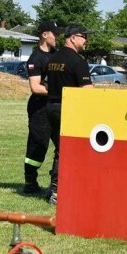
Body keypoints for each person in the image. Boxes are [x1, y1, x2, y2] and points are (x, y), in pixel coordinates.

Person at [45, 23, 94, 205]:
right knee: (66, 150)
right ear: (73, 38)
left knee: (60, 149)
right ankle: (57, 192)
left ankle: (53, 187)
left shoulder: (53, 59)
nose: (86, 40)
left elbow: (47, 84)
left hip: (51, 107)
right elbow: (87, 91)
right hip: (68, 110)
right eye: (84, 36)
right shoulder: (78, 61)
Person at [22, 20, 60, 195]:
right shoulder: (35, 58)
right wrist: (58, 91)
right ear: (45, 35)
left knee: (63, 145)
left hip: (56, 106)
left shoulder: (57, 55)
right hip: (40, 109)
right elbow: (36, 87)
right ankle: (30, 182)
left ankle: (57, 183)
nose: (57, 37)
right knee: (39, 145)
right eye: (55, 34)